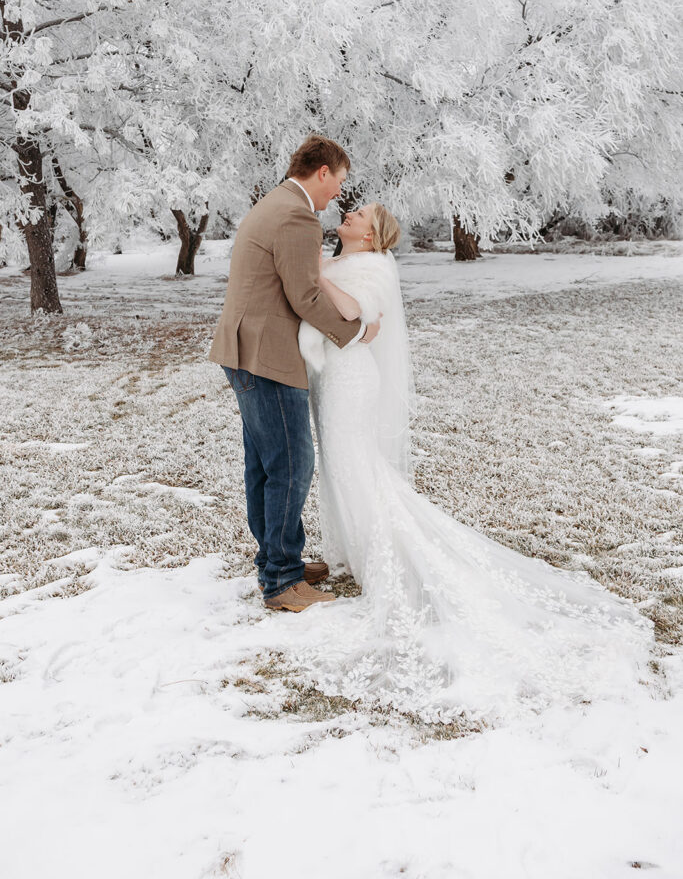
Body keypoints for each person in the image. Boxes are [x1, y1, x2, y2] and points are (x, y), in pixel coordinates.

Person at [295, 202, 655, 720]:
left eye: (359, 217)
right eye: (349, 213)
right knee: (342, 467)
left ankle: (386, 553)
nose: (348, 216)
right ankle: (361, 546)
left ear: (373, 237)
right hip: (333, 381)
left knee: (358, 468)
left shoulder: (374, 266)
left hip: (353, 382)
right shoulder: (343, 261)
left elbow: (355, 314)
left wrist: (320, 278)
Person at [209, 135, 380, 613]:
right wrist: (358, 329)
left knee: (265, 463)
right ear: (322, 171)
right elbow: (304, 296)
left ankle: (278, 560)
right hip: (266, 355)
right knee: (290, 463)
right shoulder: (298, 216)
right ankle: (282, 581)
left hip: (245, 349)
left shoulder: (276, 202)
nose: (337, 196)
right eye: (338, 182)